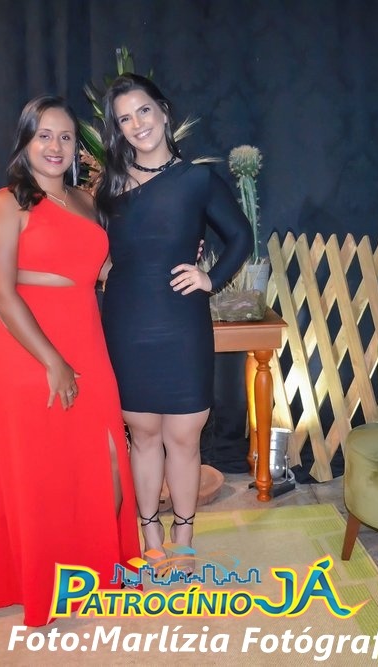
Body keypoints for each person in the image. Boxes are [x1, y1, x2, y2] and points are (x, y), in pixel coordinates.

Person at [0, 95, 140, 626]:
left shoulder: (86, 202)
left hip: (87, 337)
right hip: (32, 349)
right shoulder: (7, 203)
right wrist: (53, 360)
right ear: (25, 141)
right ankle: (48, 583)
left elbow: (101, 269)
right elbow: (1, 292)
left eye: (66, 137)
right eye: (44, 135)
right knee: (43, 474)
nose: (56, 146)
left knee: (107, 459)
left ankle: (91, 570)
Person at [95, 74, 252, 556]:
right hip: (127, 323)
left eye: (143, 110)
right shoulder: (107, 190)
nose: (137, 124)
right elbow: (92, 250)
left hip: (182, 323)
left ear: (163, 112)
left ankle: (183, 539)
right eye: (125, 118)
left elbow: (241, 236)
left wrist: (211, 277)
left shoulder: (197, 180)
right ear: (118, 130)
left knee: (184, 436)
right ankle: (150, 537)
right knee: (143, 436)